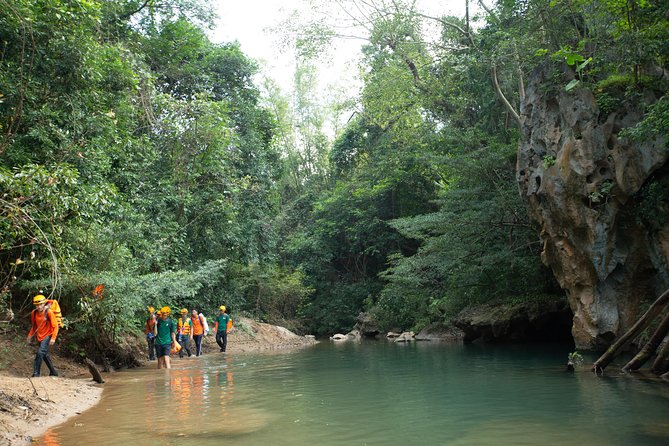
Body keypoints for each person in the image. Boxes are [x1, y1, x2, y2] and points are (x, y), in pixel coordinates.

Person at [26, 294, 59, 377]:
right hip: (39, 336)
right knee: (44, 355)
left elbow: (55, 326)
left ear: (44, 303)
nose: (39, 306)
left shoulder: (49, 312)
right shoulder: (34, 313)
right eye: (37, 305)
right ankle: (53, 372)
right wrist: (30, 335)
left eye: (40, 304)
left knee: (40, 353)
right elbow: (34, 326)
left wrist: (53, 338)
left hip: (48, 335)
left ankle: (36, 373)